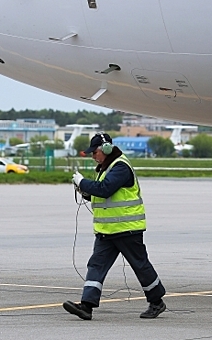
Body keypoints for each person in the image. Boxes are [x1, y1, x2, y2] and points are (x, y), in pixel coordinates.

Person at [63, 133, 166, 320]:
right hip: (107, 231)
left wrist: (83, 182)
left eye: (95, 152)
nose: (93, 156)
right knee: (96, 265)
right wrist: (83, 189)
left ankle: (157, 302)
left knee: (140, 265)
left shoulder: (120, 167)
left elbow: (105, 190)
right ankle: (86, 306)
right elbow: (101, 194)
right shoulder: (106, 167)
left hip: (127, 228)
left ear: (106, 149)